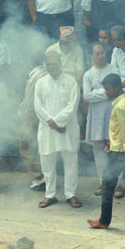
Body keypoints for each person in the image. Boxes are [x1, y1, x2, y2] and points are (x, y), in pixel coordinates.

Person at [87, 73, 125, 230]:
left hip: (122, 154)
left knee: (107, 185)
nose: (106, 92)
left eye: (108, 89)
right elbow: (124, 131)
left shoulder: (120, 106)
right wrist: (112, 144)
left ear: (116, 87)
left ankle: (104, 220)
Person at [34, 49, 81, 208]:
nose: (51, 67)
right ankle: (50, 194)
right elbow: (38, 106)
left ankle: (71, 194)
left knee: (71, 164)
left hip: (67, 129)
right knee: (47, 164)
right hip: (48, 129)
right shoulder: (40, 83)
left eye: (54, 64)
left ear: (61, 64)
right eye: (48, 64)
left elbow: (72, 106)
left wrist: (60, 123)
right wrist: (53, 123)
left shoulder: (71, 81)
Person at [82, 42, 117, 195]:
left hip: (112, 114)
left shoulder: (113, 69)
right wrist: (106, 92)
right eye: (97, 53)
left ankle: (118, 184)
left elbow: (117, 91)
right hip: (96, 116)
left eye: (102, 52)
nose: (100, 56)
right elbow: (87, 96)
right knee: (99, 151)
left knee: (115, 148)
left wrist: (98, 91)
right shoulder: (88, 74)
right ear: (92, 56)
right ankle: (103, 183)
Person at [17, 62, 47, 191]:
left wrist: (23, 113)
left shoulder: (36, 74)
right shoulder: (47, 72)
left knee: (25, 145)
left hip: (33, 115)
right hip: (44, 114)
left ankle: (40, 176)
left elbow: (30, 98)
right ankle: (44, 175)